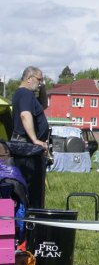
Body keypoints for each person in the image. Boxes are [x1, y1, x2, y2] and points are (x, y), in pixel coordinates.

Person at [10, 66, 49, 209]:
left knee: (33, 189)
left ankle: (32, 217)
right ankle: (31, 220)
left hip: (28, 148)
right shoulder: (25, 94)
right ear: (29, 78)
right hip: (26, 148)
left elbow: (44, 104)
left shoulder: (27, 95)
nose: (41, 83)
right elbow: (25, 116)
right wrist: (35, 140)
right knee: (31, 190)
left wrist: (43, 87)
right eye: (39, 80)